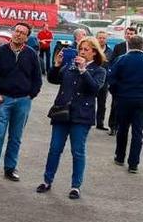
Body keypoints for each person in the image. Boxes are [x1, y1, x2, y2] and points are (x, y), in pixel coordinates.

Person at [36, 36, 107, 199]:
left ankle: (75, 186)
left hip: (81, 116)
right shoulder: (70, 65)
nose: (82, 52)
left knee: (78, 151)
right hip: (62, 112)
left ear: (94, 53)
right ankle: (47, 180)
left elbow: (95, 89)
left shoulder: (99, 70)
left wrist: (83, 70)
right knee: (54, 149)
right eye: (80, 49)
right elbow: (54, 79)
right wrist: (57, 64)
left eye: (86, 50)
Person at [0, 22, 42, 182]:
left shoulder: (31, 54)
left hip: (23, 101)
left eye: (23, 33)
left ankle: (10, 168)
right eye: (16, 31)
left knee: (16, 137)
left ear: (27, 37)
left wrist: (31, 95)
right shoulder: (0, 52)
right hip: (2, 100)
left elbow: (37, 77)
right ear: (12, 32)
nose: (18, 34)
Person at [107, 34, 143, 173]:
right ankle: (133, 163)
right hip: (142, 99)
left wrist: (116, 94)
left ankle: (120, 156)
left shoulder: (121, 60)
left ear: (129, 45)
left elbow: (111, 79)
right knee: (138, 131)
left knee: (122, 128)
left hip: (124, 98)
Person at [107, 26, 137, 135]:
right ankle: (113, 126)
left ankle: (123, 127)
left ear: (135, 35)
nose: (129, 35)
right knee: (115, 105)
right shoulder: (119, 47)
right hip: (119, 82)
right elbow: (112, 62)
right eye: (127, 33)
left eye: (131, 33)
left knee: (129, 106)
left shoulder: (141, 48)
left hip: (132, 83)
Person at [95, 31, 111, 130]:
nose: (101, 40)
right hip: (91, 79)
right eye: (100, 37)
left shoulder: (110, 52)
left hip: (104, 82)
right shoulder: (91, 50)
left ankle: (100, 123)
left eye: (103, 38)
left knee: (102, 103)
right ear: (96, 38)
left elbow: (111, 66)